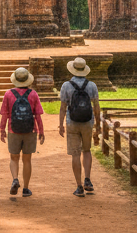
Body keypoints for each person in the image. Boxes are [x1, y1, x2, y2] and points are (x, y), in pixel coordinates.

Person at [0, 66, 46, 197]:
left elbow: (5, 114)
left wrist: (2, 130)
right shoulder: (33, 94)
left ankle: (15, 179)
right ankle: (26, 188)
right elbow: (38, 115)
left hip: (13, 129)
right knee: (27, 159)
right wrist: (41, 131)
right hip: (30, 130)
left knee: (14, 158)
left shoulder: (8, 94)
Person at [58, 56, 100, 197]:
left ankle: (79, 186)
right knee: (86, 150)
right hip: (88, 122)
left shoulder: (66, 85)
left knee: (75, 154)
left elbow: (63, 107)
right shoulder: (92, 85)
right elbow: (97, 107)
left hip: (72, 122)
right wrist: (98, 125)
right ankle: (87, 179)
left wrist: (60, 124)